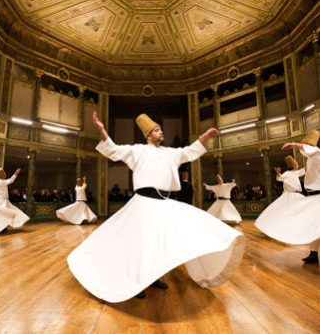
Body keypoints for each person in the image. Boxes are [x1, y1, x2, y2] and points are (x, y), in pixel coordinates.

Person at [67, 112, 245, 303]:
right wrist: (102, 130)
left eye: (160, 129)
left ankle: (153, 278)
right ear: (149, 134)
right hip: (143, 202)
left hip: (163, 204)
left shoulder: (171, 153)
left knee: (159, 242)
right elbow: (113, 150)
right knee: (141, 243)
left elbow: (190, 151)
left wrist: (206, 136)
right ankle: (137, 283)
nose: (161, 132)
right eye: (157, 130)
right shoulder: (138, 150)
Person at [272, 130, 320, 264]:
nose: (303, 147)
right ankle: (314, 254)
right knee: (315, 226)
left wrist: (295, 144)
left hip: (318, 195)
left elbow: (312, 151)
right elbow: (307, 152)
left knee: (316, 226)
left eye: (305, 145)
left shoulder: (317, 154)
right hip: (314, 196)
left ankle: (314, 254)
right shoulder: (312, 159)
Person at [255, 155, 306, 240]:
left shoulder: (296, 173)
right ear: (293, 166)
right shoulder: (287, 173)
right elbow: (280, 178)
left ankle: (299, 228)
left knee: (301, 210)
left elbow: (304, 170)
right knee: (285, 211)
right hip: (288, 195)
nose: (298, 166)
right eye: (297, 165)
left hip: (297, 195)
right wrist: (278, 173)